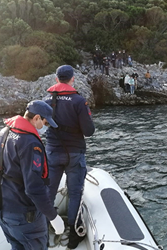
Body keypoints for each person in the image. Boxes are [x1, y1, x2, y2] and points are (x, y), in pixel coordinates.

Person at [0, 100, 65, 250]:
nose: (46, 127)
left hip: (0, 208)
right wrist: (53, 217)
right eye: (46, 123)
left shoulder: (4, 132)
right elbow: (34, 188)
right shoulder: (31, 144)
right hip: (23, 215)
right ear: (37, 118)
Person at [44, 65, 95, 249]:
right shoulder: (79, 101)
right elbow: (89, 131)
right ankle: (74, 235)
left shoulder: (47, 100)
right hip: (74, 153)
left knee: (49, 192)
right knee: (74, 193)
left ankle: (46, 228)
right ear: (72, 79)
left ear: (56, 79)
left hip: (52, 152)